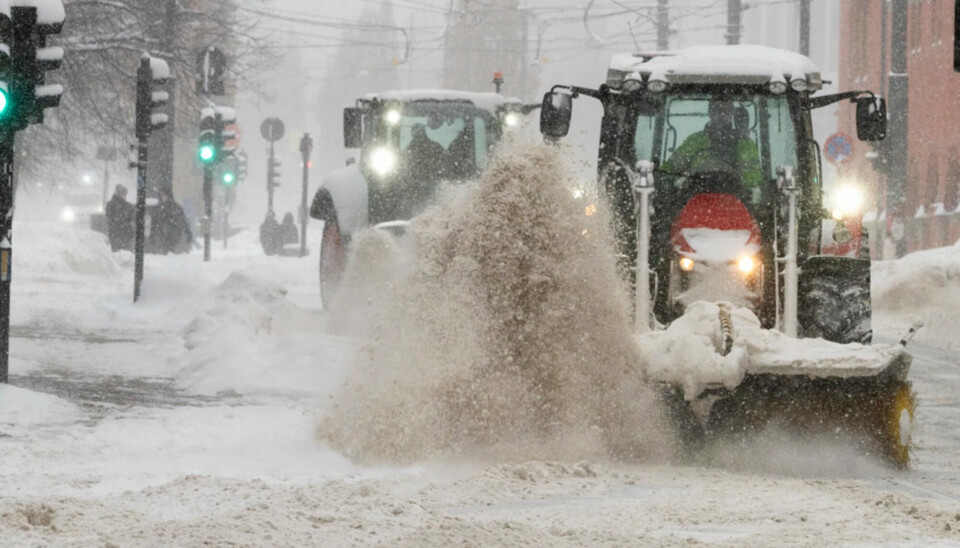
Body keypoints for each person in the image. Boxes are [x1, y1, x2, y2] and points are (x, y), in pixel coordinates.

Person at [660, 100, 763, 192]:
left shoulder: (744, 143)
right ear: (710, 112)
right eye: (717, 109)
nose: (721, 114)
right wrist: (669, 178)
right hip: (694, 196)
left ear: (731, 113)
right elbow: (671, 168)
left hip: (734, 200)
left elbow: (753, 179)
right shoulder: (695, 141)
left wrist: (738, 182)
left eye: (725, 110)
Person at [148, 187, 193, 254]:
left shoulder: (176, 207)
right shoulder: (158, 208)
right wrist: (152, 236)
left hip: (173, 237)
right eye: (162, 195)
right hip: (161, 238)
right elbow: (154, 223)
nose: (163, 197)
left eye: (165, 195)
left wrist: (188, 233)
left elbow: (183, 221)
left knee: (170, 255)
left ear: (169, 196)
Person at [105, 184, 135, 251]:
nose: (125, 196)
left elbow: (109, 219)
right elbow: (130, 218)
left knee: (117, 256)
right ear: (121, 194)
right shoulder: (127, 206)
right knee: (125, 255)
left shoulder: (110, 204)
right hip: (124, 235)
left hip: (116, 235)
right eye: (124, 194)